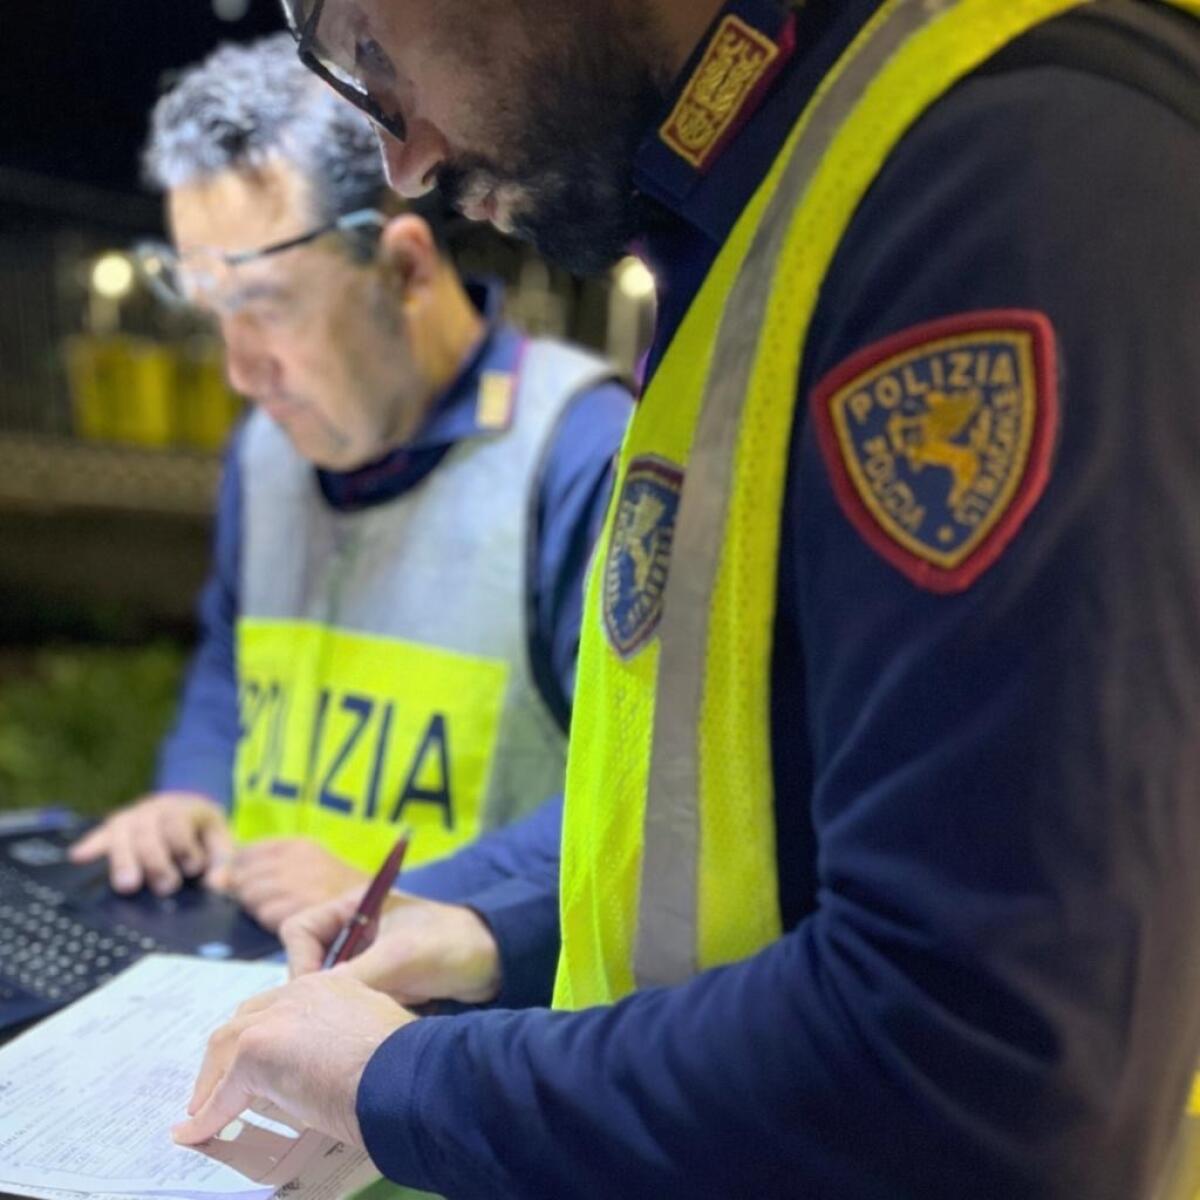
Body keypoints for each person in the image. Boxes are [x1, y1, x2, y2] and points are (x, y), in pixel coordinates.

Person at [174, 1, 1200, 1196]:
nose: (405, 160)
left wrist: (399, 1083)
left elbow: (975, 1058)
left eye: (372, 53)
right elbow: (738, 819)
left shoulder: (998, 175)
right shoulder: (778, 202)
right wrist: (498, 929)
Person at [69, 34, 630, 934]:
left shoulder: (580, 462)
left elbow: (640, 808)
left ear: (403, 269)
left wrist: (405, 899)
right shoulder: (267, 452)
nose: (240, 373)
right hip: (249, 977)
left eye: (267, 306)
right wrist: (192, 793)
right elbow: (231, 662)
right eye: (216, 316)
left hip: (461, 1010)